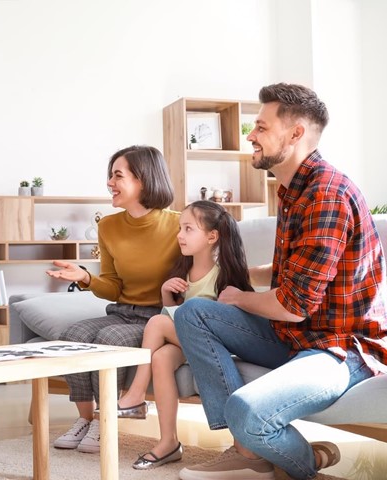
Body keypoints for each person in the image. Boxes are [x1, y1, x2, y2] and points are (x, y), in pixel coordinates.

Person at [174, 83, 387, 480]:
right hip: (297, 337)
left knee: (248, 410)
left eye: (261, 127)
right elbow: (301, 272)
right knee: (193, 313)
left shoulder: (327, 194)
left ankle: (303, 462)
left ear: (295, 134)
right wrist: (242, 278)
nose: (251, 136)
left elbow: (293, 306)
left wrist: (238, 298)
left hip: (340, 348)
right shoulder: (291, 190)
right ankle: (247, 453)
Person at [46, 145, 182, 454]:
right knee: (73, 336)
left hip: (157, 318)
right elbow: (113, 287)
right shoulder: (108, 226)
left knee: (109, 338)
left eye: (117, 175)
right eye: (110, 175)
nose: (110, 182)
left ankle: (106, 420)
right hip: (122, 310)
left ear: (144, 181)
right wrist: (85, 277)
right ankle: (87, 419)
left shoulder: (178, 225)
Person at [116, 200, 253, 470]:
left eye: (188, 229)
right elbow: (176, 315)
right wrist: (167, 293)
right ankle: (168, 442)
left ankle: (136, 394)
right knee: (162, 358)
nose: (180, 235)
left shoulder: (224, 274)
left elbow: (228, 322)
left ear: (212, 236)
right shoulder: (184, 271)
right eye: (180, 228)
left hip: (213, 346)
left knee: (155, 324)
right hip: (185, 342)